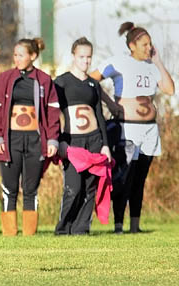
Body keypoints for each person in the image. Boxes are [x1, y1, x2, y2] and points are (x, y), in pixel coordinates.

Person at [90, 22, 175, 234]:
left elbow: (170, 89)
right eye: (145, 45)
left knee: (140, 178)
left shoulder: (152, 66)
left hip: (149, 130)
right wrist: (110, 103)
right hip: (127, 129)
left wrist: (157, 60)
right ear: (132, 46)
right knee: (125, 177)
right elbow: (91, 81)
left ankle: (135, 226)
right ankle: (118, 224)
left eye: (150, 44)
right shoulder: (118, 63)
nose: (149, 48)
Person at [0, 38, 60, 236]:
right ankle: (9, 232)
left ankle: (29, 233)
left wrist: (52, 139)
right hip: (11, 141)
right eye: (15, 54)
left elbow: (53, 112)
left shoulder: (44, 80)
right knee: (9, 186)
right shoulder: (5, 78)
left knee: (31, 187)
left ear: (33, 56)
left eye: (21, 55)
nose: (16, 58)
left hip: (35, 141)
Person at [53, 37, 111, 235]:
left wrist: (105, 144)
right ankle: (63, 228)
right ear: (73, 56)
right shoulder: (61, 82)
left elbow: (99, 115)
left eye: (89, 57)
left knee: (90, 187)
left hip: (93, 140)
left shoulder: (94, 85)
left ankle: (81, 228)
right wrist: (58, 139)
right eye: (81, 57)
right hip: (73, 142)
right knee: (74, 187)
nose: (85, 61)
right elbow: (53, 114)